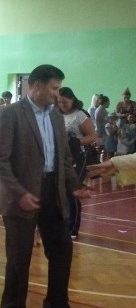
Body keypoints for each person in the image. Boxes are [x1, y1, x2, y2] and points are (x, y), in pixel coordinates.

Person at [0, 64, 91, 308]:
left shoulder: (57, 116)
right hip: (20, 195)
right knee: (19, 256)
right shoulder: (11, 114)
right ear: (36, 86)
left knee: (62, 250)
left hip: (52, 193)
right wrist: (19, 193)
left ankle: (57, 303)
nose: (58, 95)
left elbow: (65, 158)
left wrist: (75, 186)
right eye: (54, 88)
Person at [57, 87, 96, 239]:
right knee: (61, 192)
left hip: (78, 157)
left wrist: (74, 141)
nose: (62, 105)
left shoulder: (80, 115)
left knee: (72, 190)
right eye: (59, 102)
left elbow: (93, 136)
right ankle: (63, 223)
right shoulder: (57, 115)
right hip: (62, 157)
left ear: (72, 99)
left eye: (65, 102)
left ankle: (72, 227)